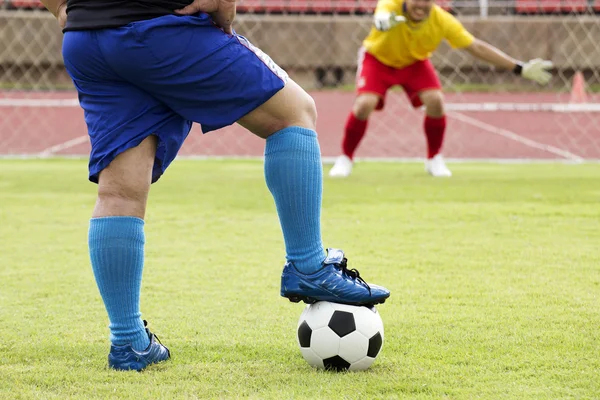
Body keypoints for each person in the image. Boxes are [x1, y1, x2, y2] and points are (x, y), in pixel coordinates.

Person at [41, 0, 390, 372]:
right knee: (294, 114)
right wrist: (223, 7)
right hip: (159, 26)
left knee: (118, 192)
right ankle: (308, 264)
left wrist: (62, 7)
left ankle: (128, 341)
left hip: (85, 37)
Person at [328, 0, 553, 178]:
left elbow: (476, 47)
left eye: (426, 1)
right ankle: (345, 158)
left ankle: (434, 158)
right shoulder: (391, 4)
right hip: (378, 59)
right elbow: (381, 14)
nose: (420, 5)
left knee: (436, 101)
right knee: (364, 105)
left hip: (414, 62)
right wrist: (382, 21)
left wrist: (518, 68)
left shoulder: (442, 20)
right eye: (416, 0)